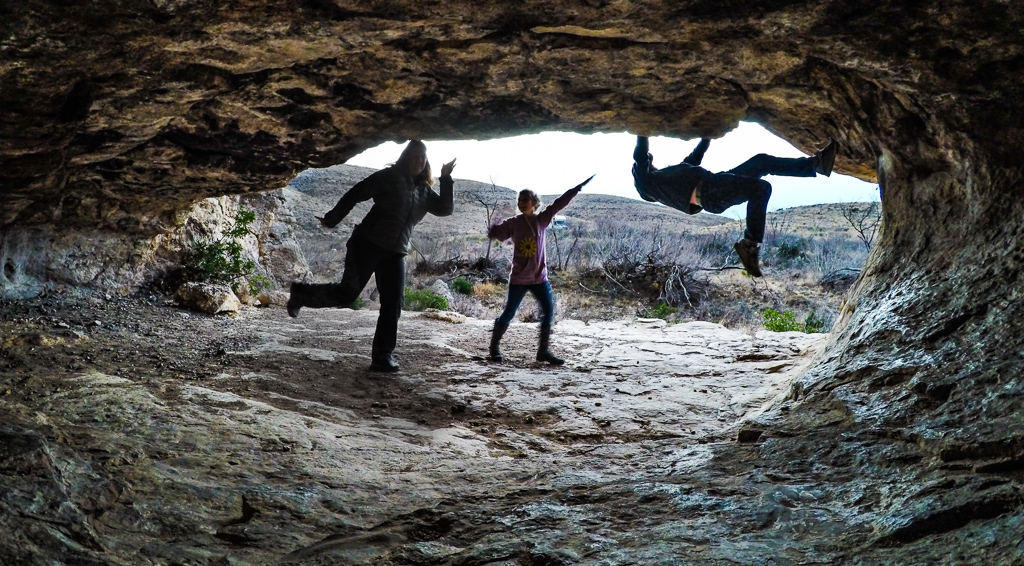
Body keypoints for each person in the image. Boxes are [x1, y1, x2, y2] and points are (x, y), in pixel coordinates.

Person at [286, 140, 456, 373]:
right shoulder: (389, 177)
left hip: (395, 253)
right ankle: (300, 294)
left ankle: (382, 356)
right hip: (366, 245)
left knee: (393, 302)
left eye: (423, 157)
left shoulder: (425, 191)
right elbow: (356, 193)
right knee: (347, 295)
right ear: (405, 157)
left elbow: (445, 209)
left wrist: (446, 178)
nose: (419, 161)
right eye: (415, 155)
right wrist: (333, 218)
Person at [631, 135, 837, 277]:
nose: (651, 160)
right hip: (711, 192)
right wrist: (642, 132)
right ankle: (749, 246)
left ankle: (816, 165)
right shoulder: (648, 183)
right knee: (761, 188)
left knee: (761, 162)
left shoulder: (669, 176)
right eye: (648, 161)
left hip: (716, 183)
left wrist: (707, 136)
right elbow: (640, 155)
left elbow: (695, 158)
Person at [486, 176, 592, 365]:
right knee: (509, 313)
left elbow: (558, 204)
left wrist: (576, 189)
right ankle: (494, 349)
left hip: (539, 278)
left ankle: (543, 352)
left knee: (549, 310)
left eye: (525, 200)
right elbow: (500, 234)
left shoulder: (542, 220)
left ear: (534, 203)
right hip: (519, 278)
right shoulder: (513, 222)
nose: (521, 203)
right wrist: (494, 230)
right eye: (519, 200)